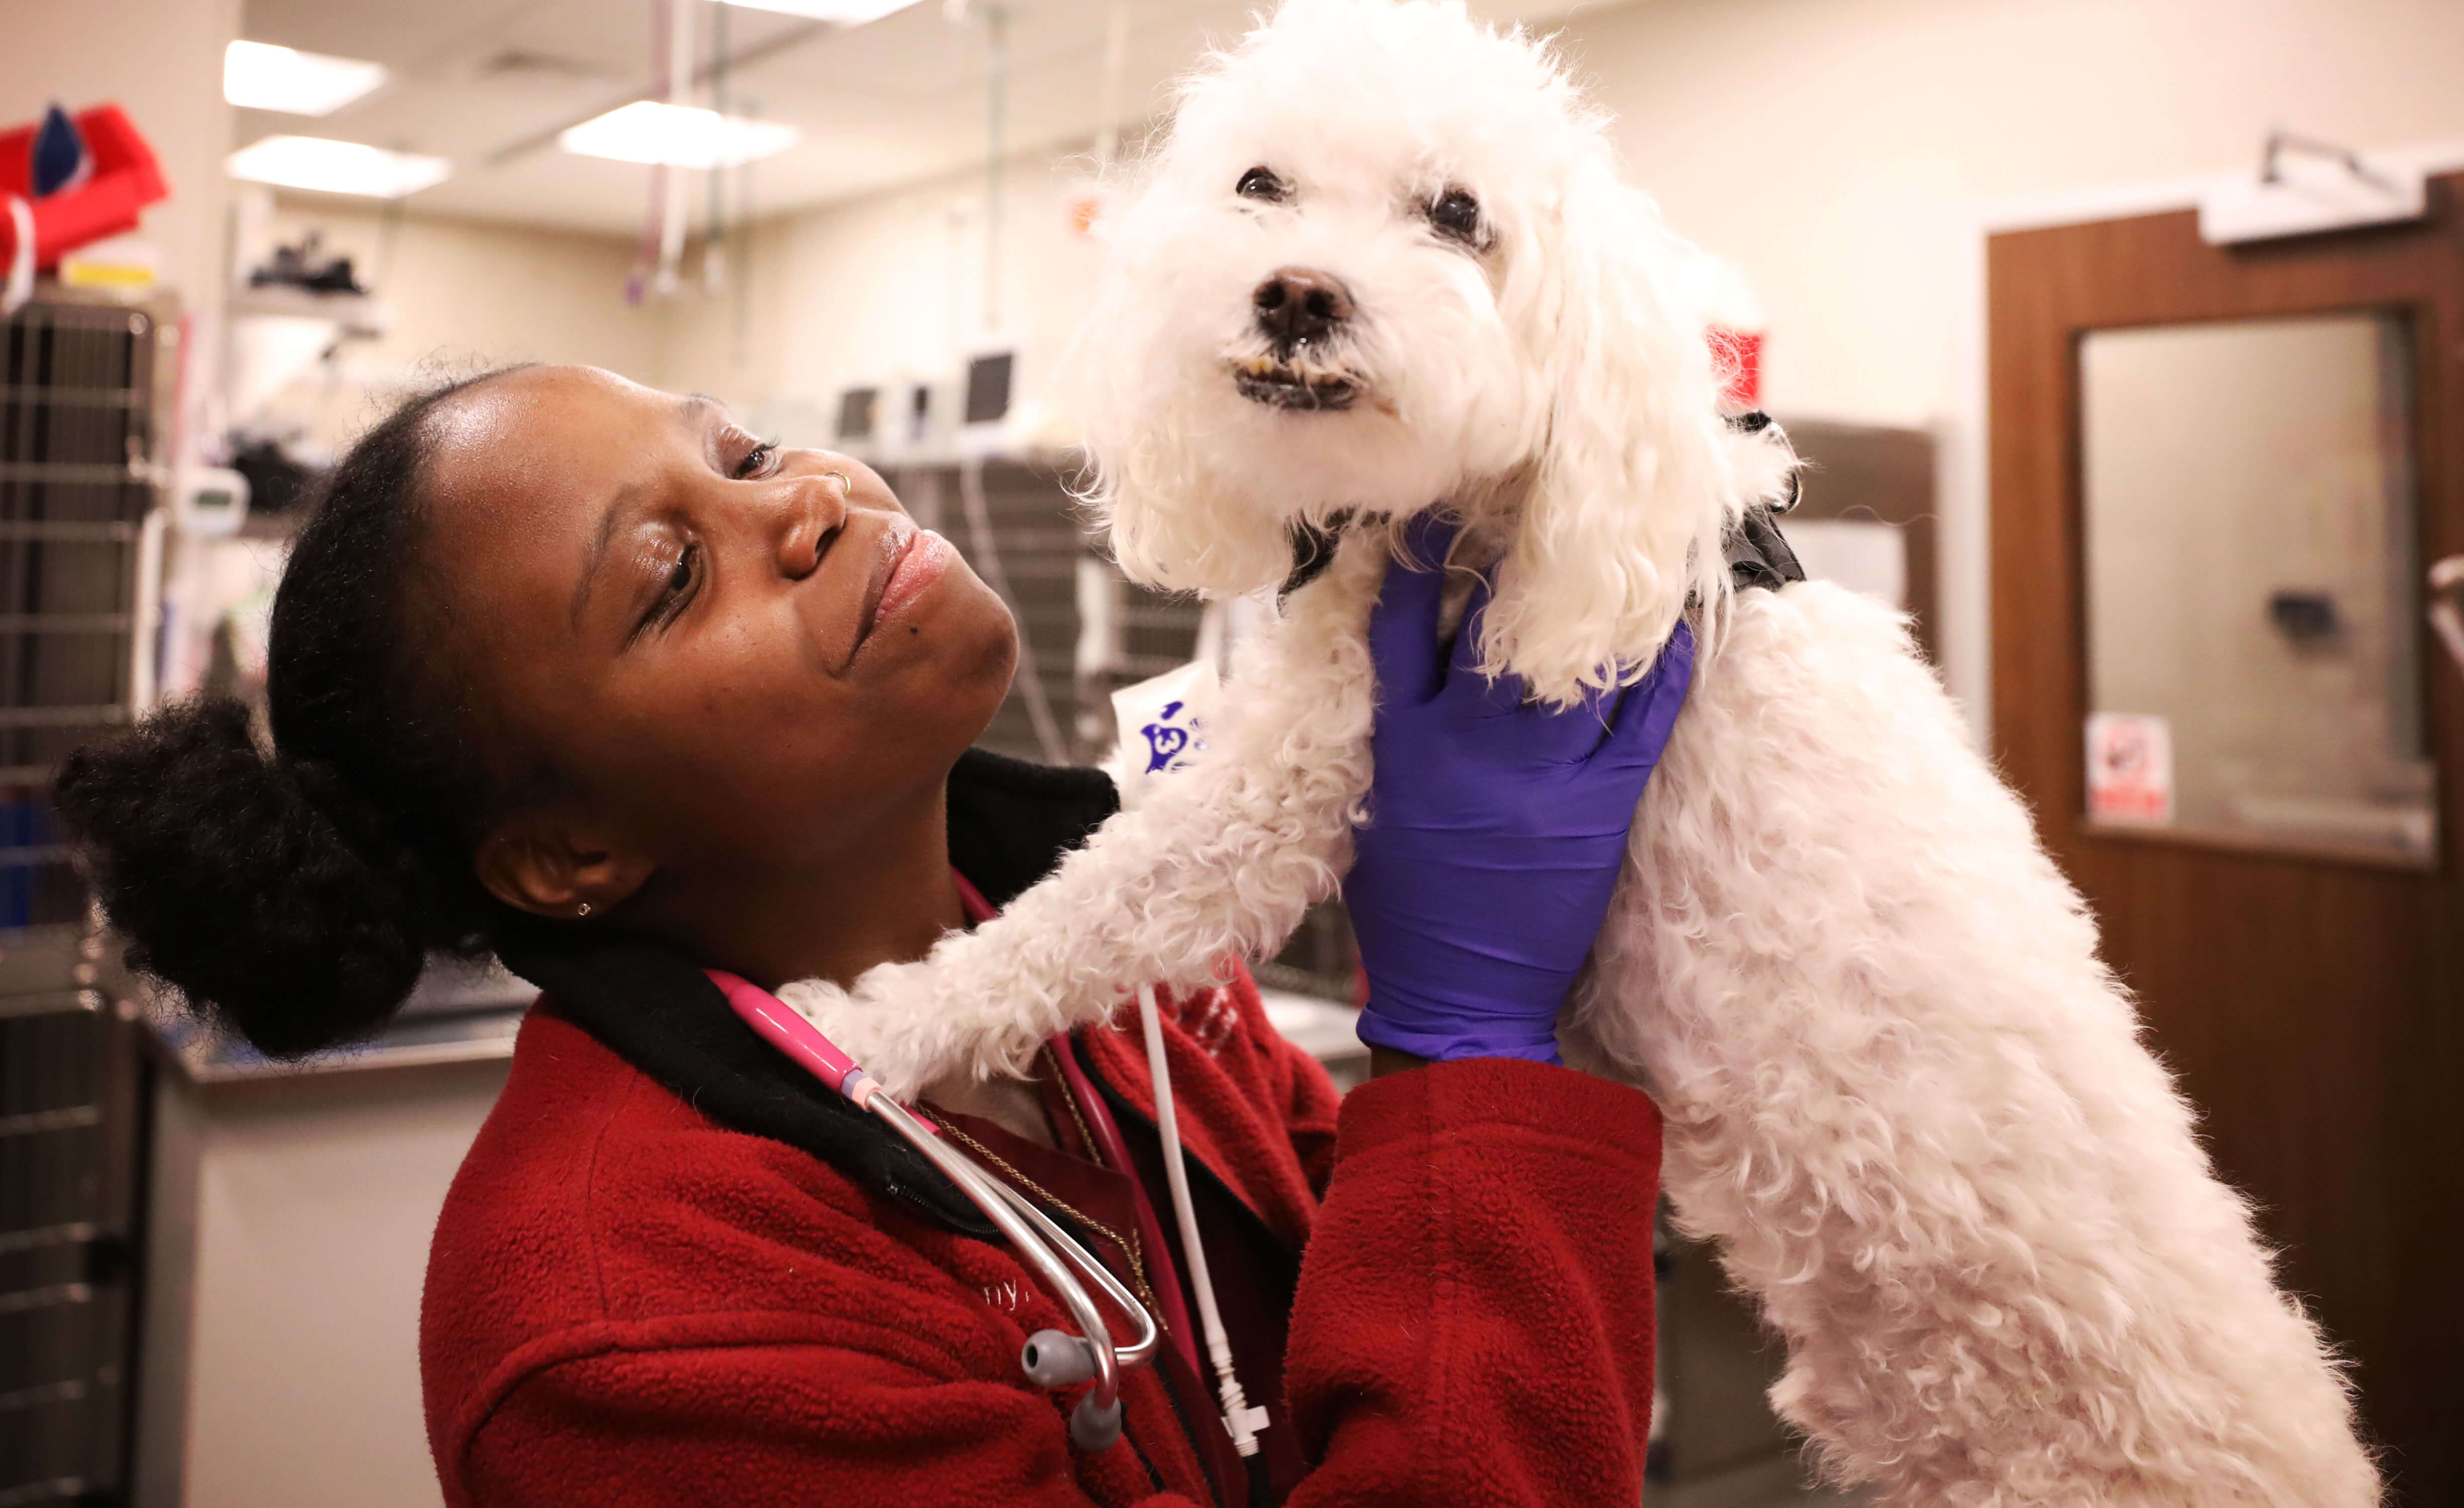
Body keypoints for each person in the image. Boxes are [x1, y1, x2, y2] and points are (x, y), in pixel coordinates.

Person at [56, 364, 1689, 1507]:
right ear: (567, 852)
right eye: (673, 573)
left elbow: (1366, 1295)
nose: (819, 503)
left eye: (751, 454)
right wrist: (1466, 1054)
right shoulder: (627, 1331)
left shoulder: (1092, 955)